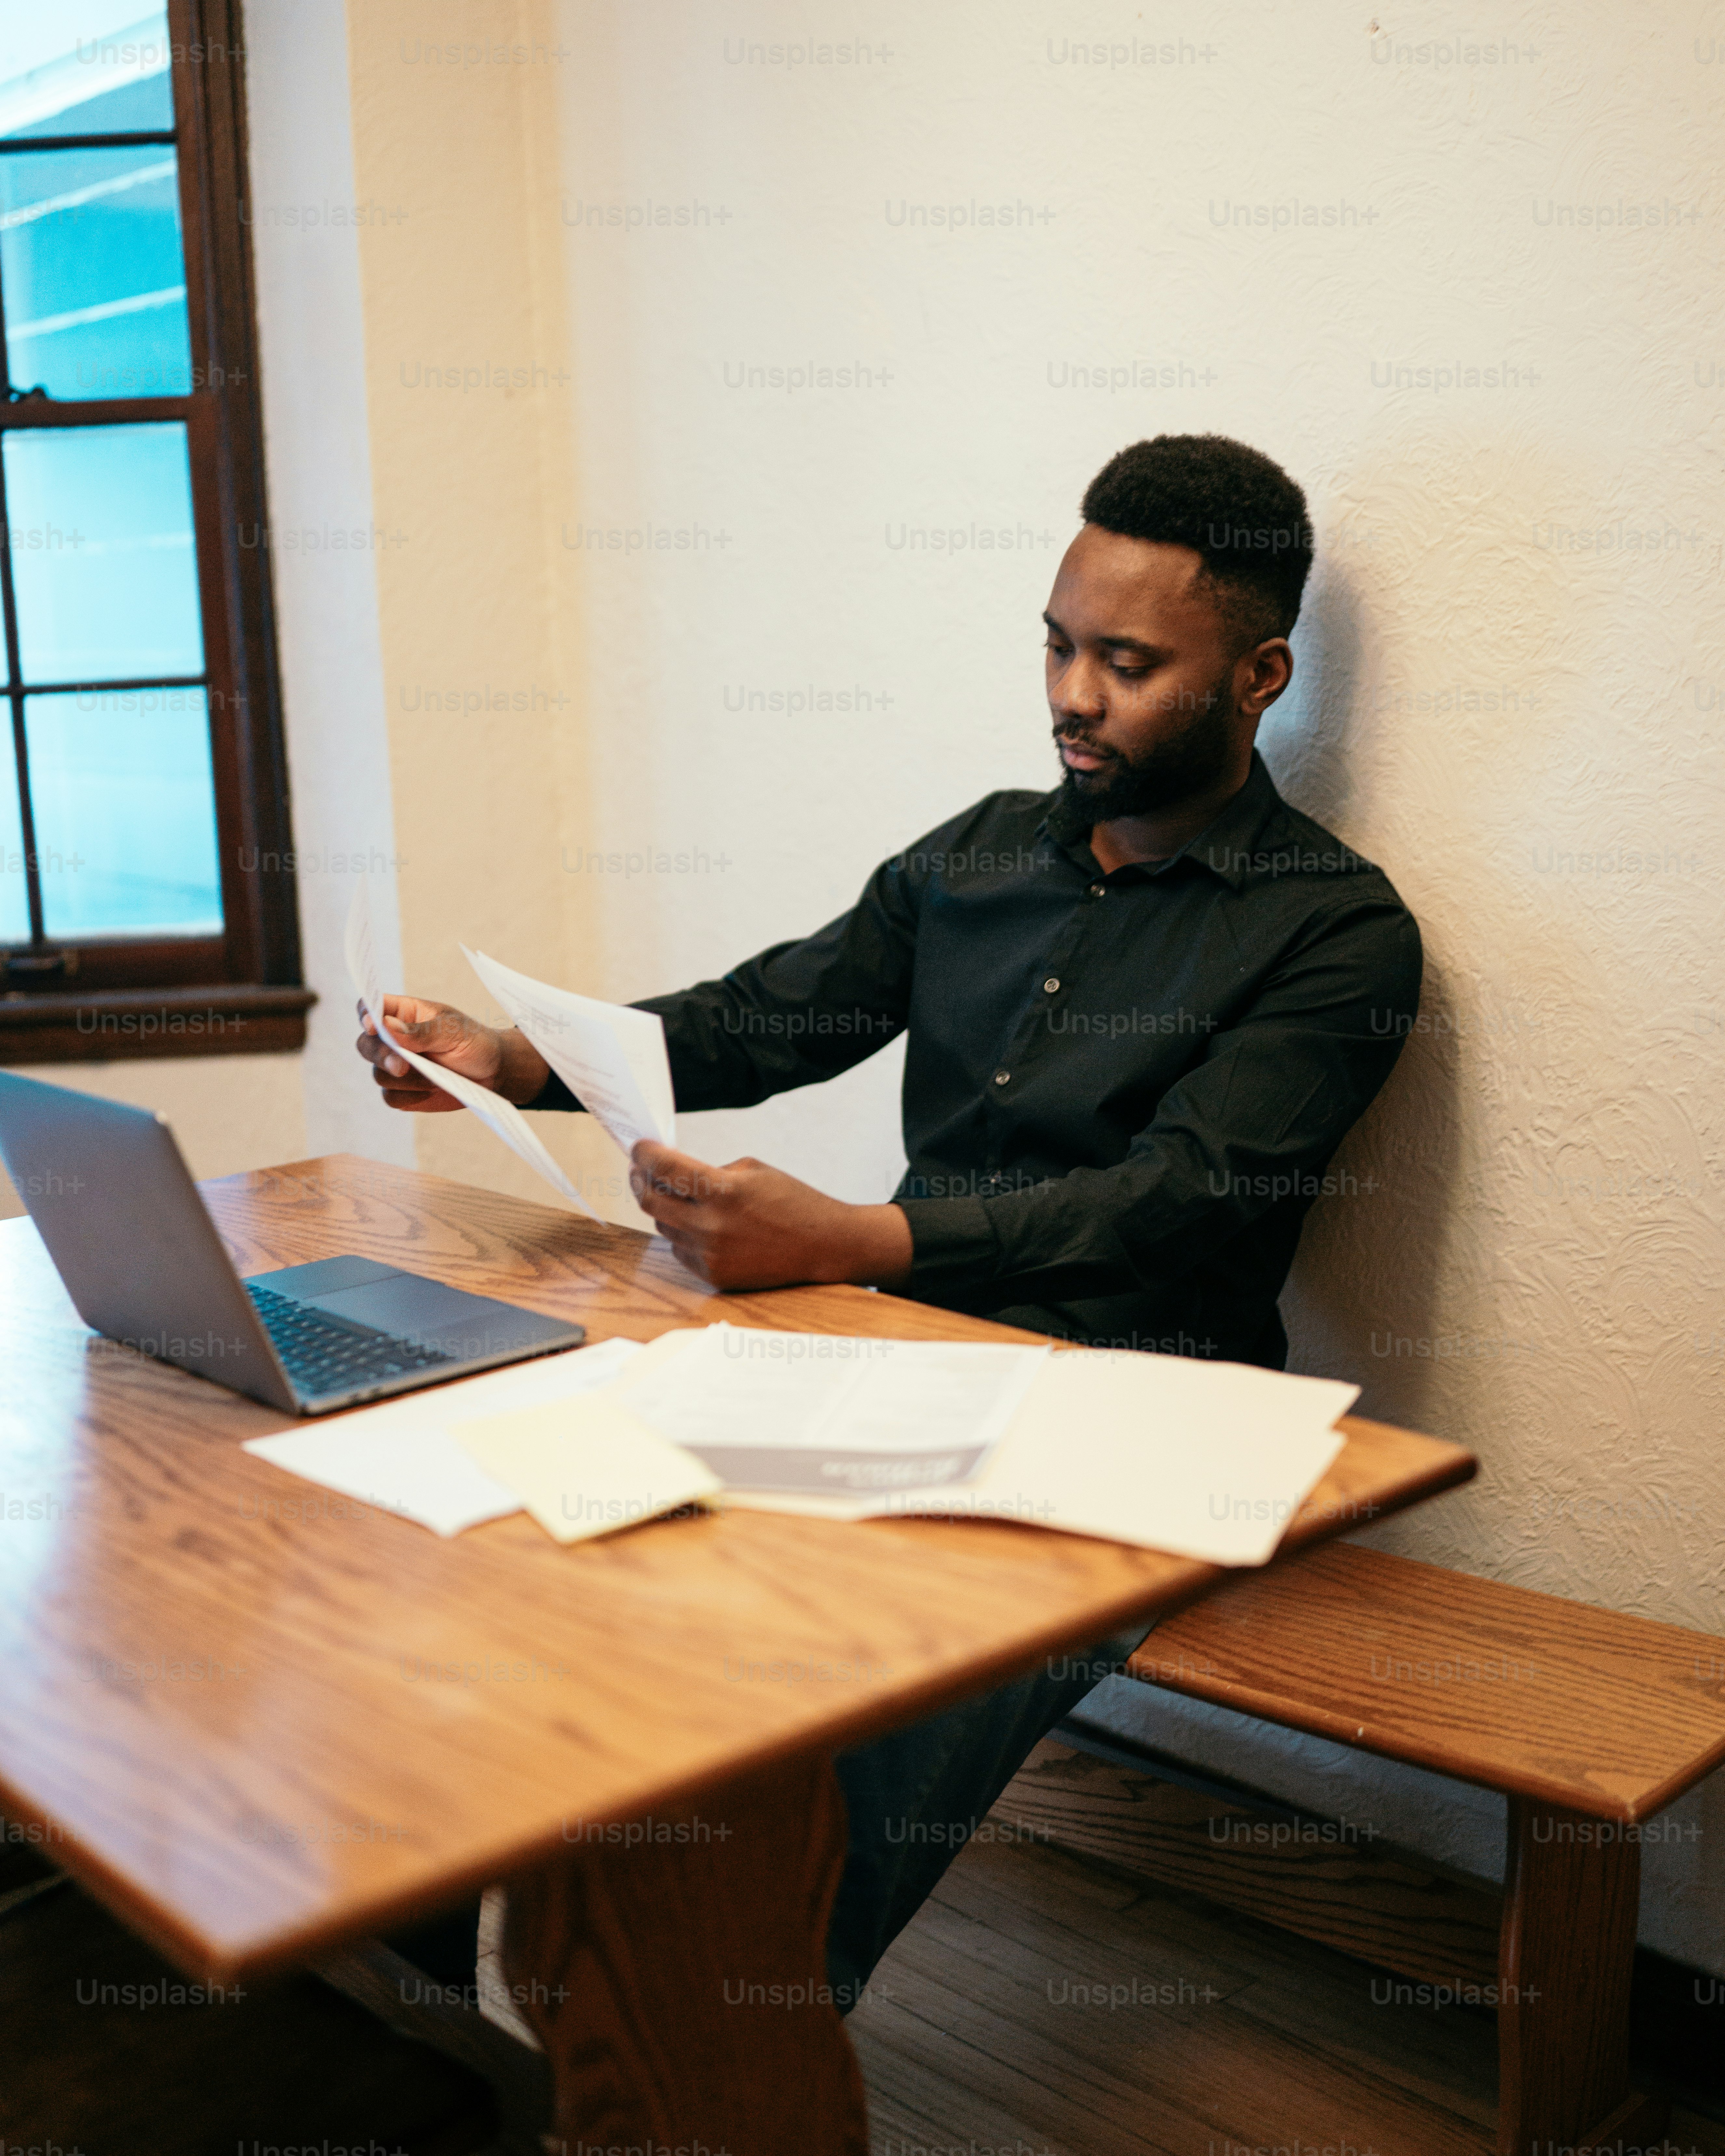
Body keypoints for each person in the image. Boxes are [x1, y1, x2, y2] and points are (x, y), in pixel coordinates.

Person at [358, 433, 1422, 2003]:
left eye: (1127, 663)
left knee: (869, 1700)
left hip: (1140, 1405)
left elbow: (1181, 1208)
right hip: (887, 1345)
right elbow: (770, 1017)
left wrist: (852, 1237)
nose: (1072, 694)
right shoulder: (981, 851)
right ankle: (439, 1971)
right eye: (1057, 645)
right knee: (538, 1535)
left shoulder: (1339, 929)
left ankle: (719, 2032)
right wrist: (512, 1062)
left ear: (1260, 674)